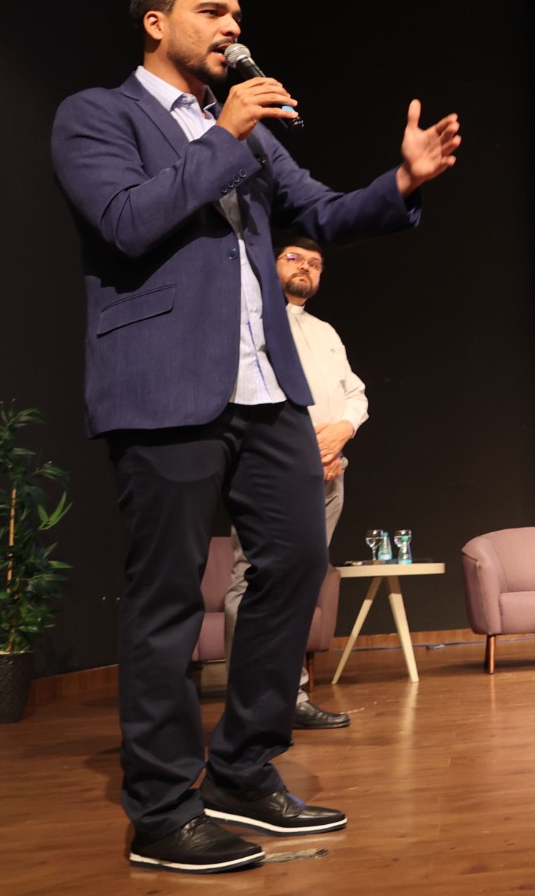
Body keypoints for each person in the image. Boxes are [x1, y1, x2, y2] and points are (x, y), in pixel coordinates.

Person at [49, 0, 460, 874]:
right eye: (212, 11)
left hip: (267, 386)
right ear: (156, 23)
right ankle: (162, 811)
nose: (233, 27)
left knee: (298, 562)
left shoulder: (247, 133)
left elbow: (322, 213)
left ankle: (241, 768)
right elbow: (125, 220)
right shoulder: (98, 115)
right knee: (167, 596)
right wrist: (226, 134)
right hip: (163, 386)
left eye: (237, 13)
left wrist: (401, 181)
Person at [224, 236, 364, 731]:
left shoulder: (325, 331)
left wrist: (343, 431)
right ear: (270, 263)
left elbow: (355, 393)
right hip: (274, 473)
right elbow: (254, 397)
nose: (306, 267)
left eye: (316, 263)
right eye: (294, 258)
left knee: (303, 585)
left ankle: (290, 696)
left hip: (329, 474)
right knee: (254, 579)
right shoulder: (250, 321)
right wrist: (308, 452)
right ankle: (248, 707)